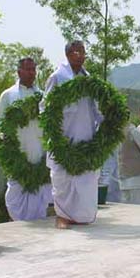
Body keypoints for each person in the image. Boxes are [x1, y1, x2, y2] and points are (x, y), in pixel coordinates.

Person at [41, 40, 103, 229]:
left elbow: (96, 107)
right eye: (76, 52)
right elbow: (45, 106)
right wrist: (55, 133)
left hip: (86, 135)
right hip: (64, 137)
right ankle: (62, 215)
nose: (80, 55)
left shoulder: (89, 79)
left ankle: (81, 216)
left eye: (83, 52)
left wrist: (106, 122)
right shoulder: (58, 77)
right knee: (63, 181)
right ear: (68, 54)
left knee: (86, 180)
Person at [0, 57, 52, 221]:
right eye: (28, 69)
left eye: (34, 69)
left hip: (38, 146)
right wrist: (8, 138)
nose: (31, 73)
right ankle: (18, 221)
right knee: (16, 189)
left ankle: (39, 219)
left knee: (40, 188)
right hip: (18, 149)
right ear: (19, 71)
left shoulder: (41, 95)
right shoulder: (8, 95)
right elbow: (0, 121)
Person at [118, 123, 140, 205]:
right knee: (125, 202)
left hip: (135, 173)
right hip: (122, 173)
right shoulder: (114, 132)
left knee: (136, 201)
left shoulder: (132, 130)